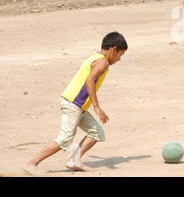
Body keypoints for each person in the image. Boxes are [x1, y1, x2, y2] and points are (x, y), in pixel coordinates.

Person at [22, 32, 128, 175]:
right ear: (113, 50)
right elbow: (89, 81)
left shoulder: (95, 57)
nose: (119, 59)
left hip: (78, 106)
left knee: (96, 133)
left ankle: (73, 160)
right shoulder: (102, 62)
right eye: (120, 55)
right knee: (64, 139)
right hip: (73, 104)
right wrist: (96, 107)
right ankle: (31, 163)